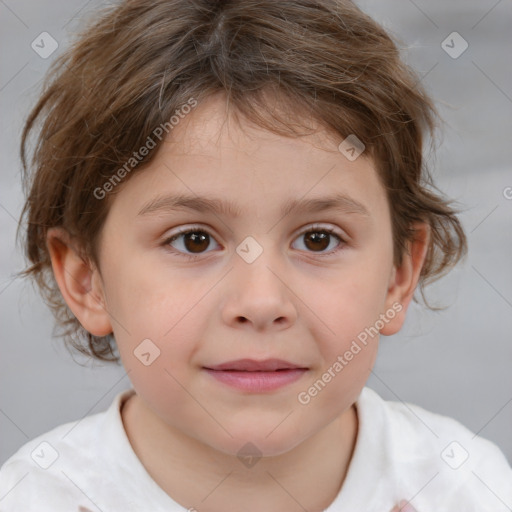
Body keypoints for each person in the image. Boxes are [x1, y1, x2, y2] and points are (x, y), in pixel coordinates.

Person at [1, 0, 511, 511]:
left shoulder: (466, 488)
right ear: (87, 278)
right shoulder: (34, 497)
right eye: (194, 240)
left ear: (398, 276)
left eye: (318, 239)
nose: (262, 301)